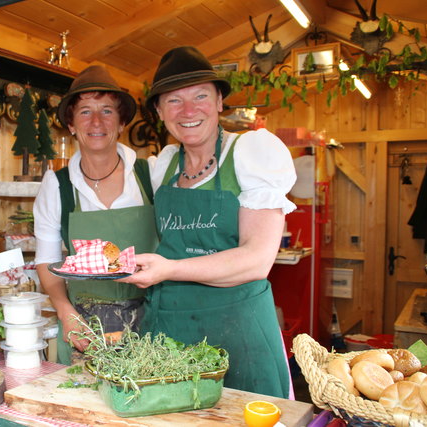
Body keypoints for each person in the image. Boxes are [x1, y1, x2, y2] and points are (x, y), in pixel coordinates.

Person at [118, 46, 297, 399]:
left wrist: (167, 270)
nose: (188, 111)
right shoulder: (163, 167)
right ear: (158, 111)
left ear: (219, 102)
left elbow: (257, 260)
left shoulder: (250, 155)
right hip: (170, 330)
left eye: (201, 96)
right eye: (173, 101)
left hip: (239, 332)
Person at [34, 65, 158, 365]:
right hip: (85, 329)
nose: (97, 121)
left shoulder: (151, 174)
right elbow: (47, 263)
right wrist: (66, 312)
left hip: (153, 326)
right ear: (72, 125)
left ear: (121, 123)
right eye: (85, 112)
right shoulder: (56, 185)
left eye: (107, 111)